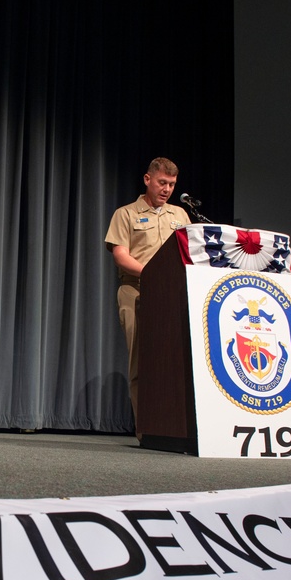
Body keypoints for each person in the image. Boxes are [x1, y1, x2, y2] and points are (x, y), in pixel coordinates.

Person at [104, 158, 190, 425]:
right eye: (162, 183)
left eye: (172, 185)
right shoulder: (126, 214)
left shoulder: (180, 215)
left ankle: (173, 425)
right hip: (137, 291)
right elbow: (121, 256)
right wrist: (155, 276)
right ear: (147, 179)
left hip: (173, 295)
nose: (166, 189)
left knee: (176, 362)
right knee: (141, 362)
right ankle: (146, 427)